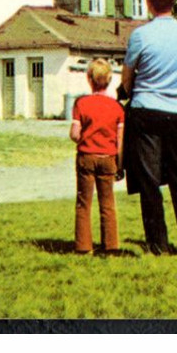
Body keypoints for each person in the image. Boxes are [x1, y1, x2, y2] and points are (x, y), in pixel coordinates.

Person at [120, 0, 177, 256]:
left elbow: (127, 78)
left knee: (150, 180)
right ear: (173, 1)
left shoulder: (141, 35)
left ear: (148, 2)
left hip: (147, 109)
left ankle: (158, 243)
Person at [70, 57, 125, 254]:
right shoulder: (117, 108)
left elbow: (75, 134)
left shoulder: (81, 104)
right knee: (108, 203)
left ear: (89, 79)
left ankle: (83, 246)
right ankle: (111, 245)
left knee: (84, 203)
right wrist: (120, 164)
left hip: (86, 156)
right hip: (108, 158)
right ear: (110, 80)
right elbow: (120, 141)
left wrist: (83, 138)